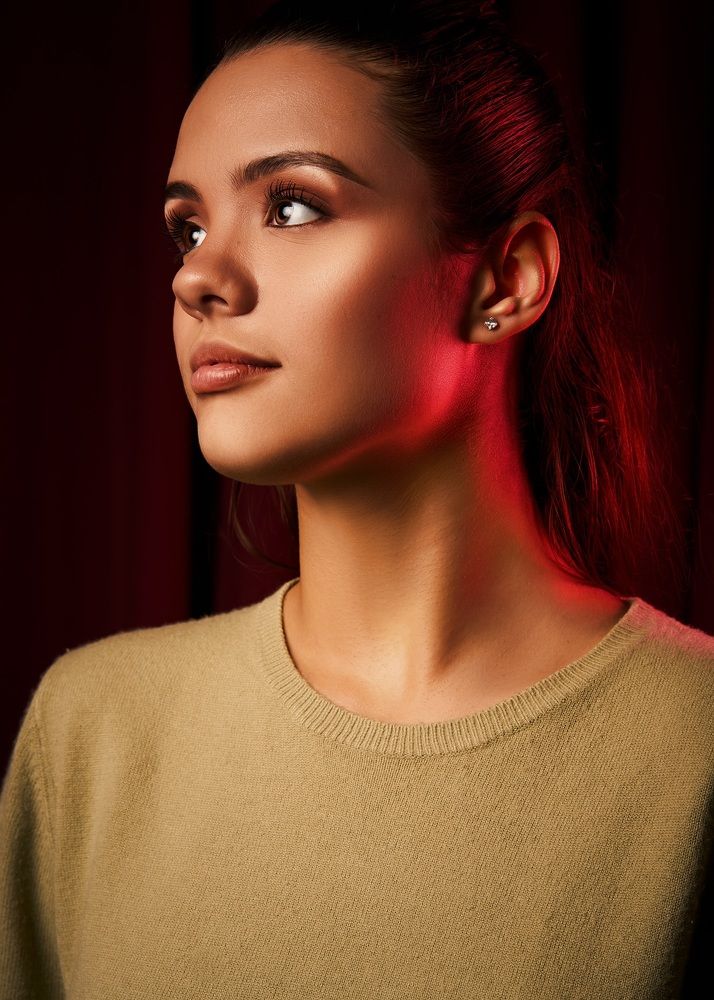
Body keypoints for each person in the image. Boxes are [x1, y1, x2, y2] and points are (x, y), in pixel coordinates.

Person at [1, 1, 712, 997]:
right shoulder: (93, 734)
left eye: (291, 205)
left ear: (506, 279)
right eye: (188, 226)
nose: (198, 275)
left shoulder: (694, 750)